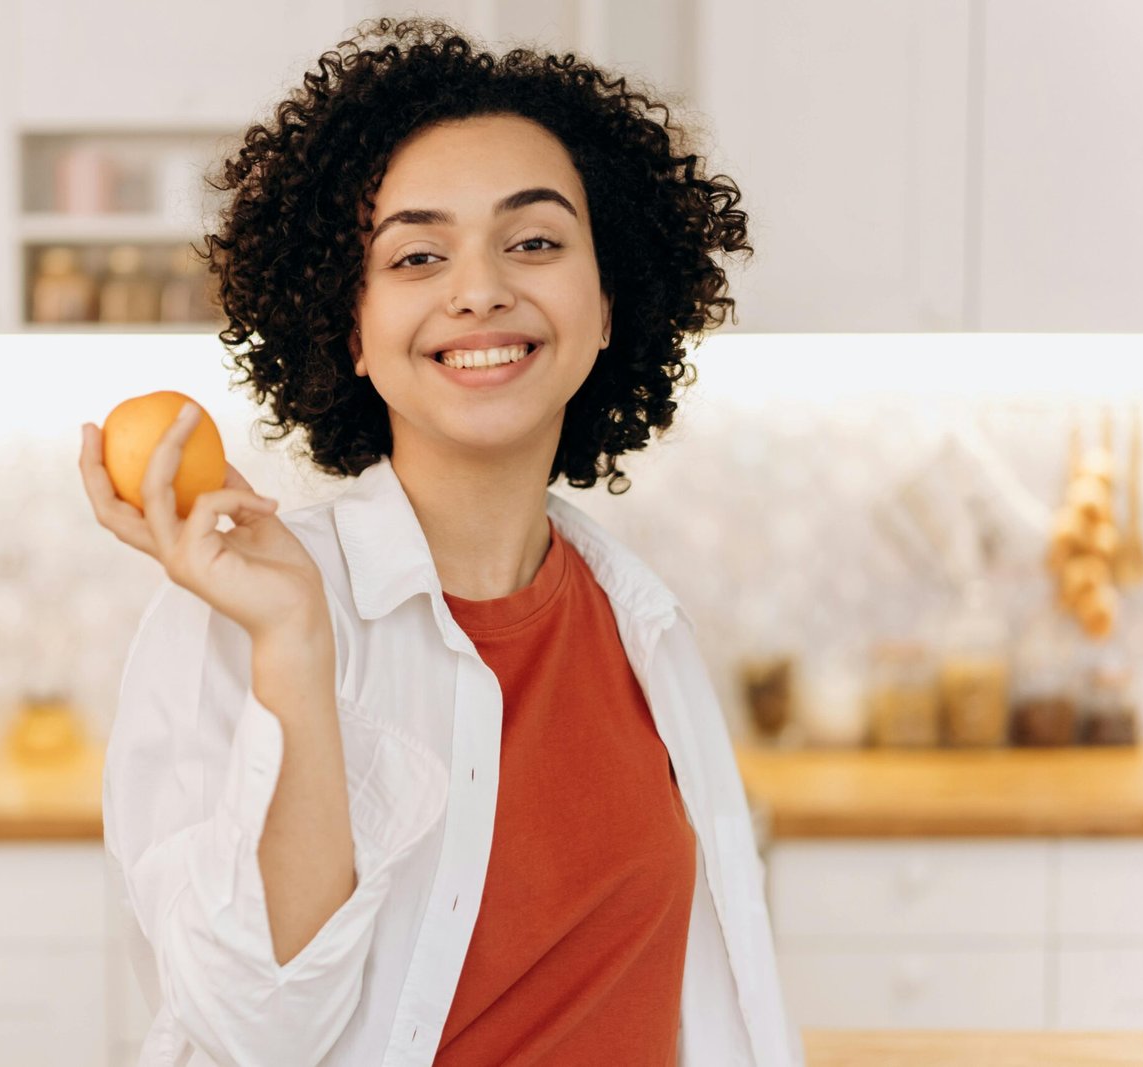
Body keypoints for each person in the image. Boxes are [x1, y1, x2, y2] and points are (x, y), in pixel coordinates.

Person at [77, 16, 802, 1067]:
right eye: (417, 253)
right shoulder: (243, 610)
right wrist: (292, 646)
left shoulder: (643, 620)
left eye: (535, 241)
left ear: (608, 305)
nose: (480, 288)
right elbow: (255, 1031)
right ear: (350, 329)